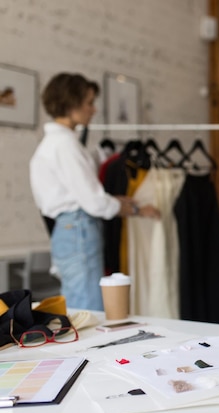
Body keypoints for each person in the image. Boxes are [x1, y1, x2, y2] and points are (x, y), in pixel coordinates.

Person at [29, 73, 160, 311]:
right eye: (89, 102)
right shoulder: (65, 146)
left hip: (68, 230)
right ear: (71, 104)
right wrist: (136, 208)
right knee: (88, 310)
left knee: (80, 306)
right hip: (79, 230)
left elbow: (78, 195)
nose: (94, 109)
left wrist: (116, 200)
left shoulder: (54, 145)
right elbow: (93, 202)